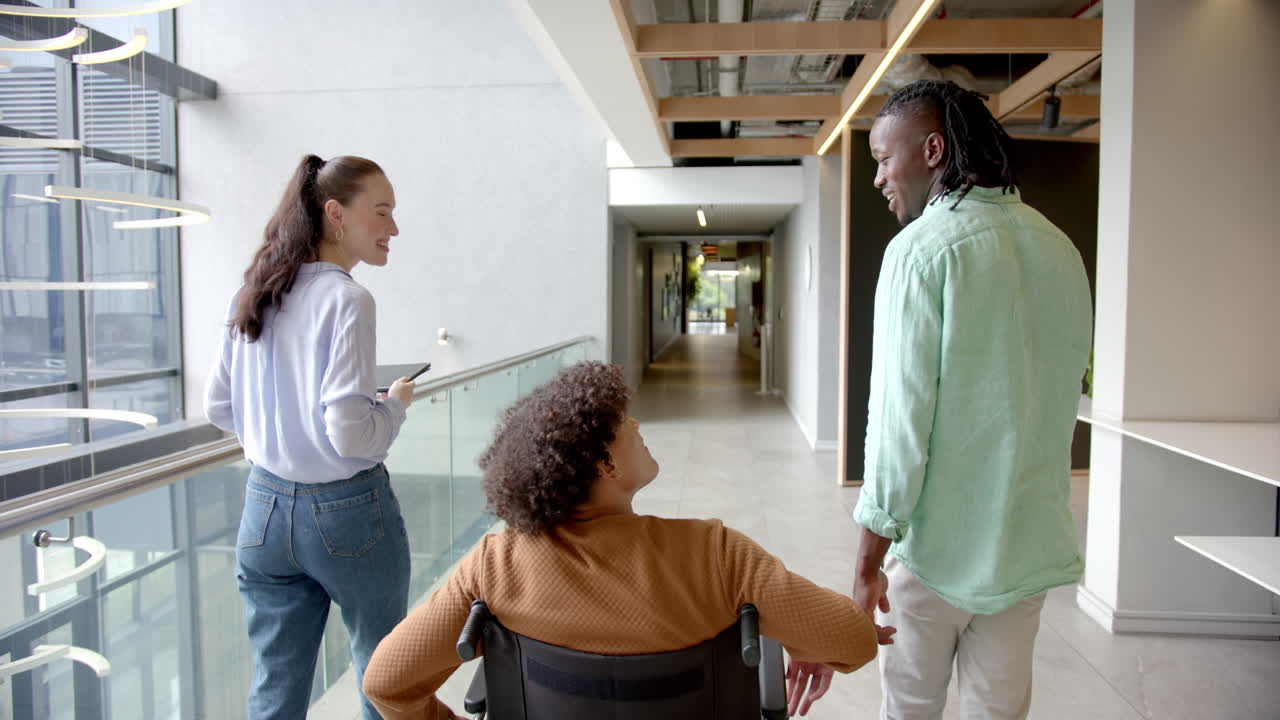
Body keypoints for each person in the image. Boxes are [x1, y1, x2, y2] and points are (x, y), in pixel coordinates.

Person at [363, 362, 887, 720]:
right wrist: (802, 638)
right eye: (622, 422)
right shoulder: (717, 555)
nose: (636, 423)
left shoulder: (496, 565)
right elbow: (856, 641)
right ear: (606, 465)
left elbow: (385, 682)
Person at [850, 79, 1093, 720]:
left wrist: (868, 559)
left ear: (932, 150)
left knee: (911, 708)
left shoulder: (918, 253)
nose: (878, 178)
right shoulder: (1060, 249)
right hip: (1024, 547)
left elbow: (901, 424)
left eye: (882, 157)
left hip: (936, 555)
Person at [204, 154, 415, 720]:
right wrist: (393, 408)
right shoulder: (348, 299)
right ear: (335, 214)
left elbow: (218, 407)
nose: (393, 227)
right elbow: (349, 433)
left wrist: (281, 432)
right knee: (382, 670)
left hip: (263, 508)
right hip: (347, 514)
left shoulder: (252, 291)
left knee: (277, 679)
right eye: (383, 211)